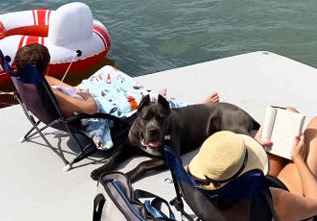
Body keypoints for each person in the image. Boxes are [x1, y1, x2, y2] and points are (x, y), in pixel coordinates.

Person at [12, 43, 218, 149]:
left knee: (108, 71)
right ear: (46, 65)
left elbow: (56, 82)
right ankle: (194, 106)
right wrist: (84, 96)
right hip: (92, 113)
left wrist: (75, 90)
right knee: (149, 105)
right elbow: (91, 109)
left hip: (78, 100)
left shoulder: (29, 81)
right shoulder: (55, 96)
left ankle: (145, 91)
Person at [186, 111, 317, 221]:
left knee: (289, 114)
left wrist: (252, 147)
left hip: (241, 206)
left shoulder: (195, 178)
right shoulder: (276, 199)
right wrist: (299, 160)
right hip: (276, 212)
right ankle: (314, 186)